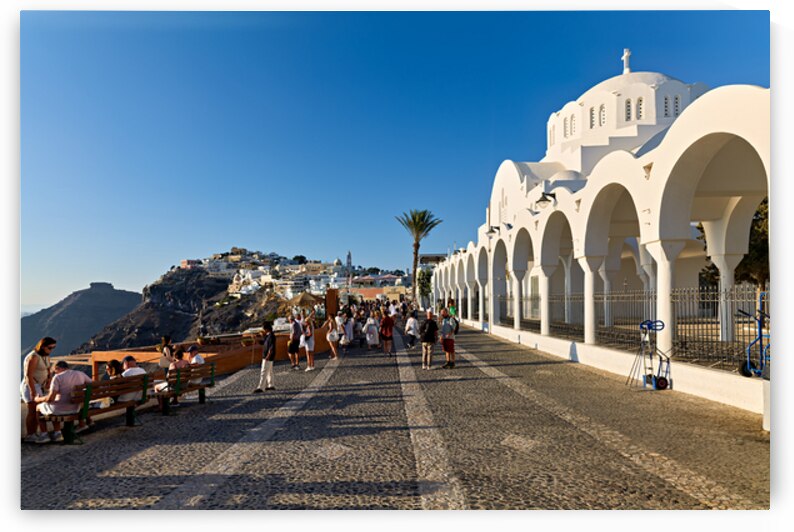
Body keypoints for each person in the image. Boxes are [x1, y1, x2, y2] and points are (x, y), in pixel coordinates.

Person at [34, 360, 92, 442]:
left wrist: (38, 399)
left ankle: (45, 435)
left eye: (55, 371)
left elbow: (50, 398)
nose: (55, 373)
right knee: (54, 403)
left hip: (62, 409)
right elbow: (92, 384)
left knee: (38, 407)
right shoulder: (80, 374)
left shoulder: (58, 377)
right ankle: (58, 432)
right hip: (76, 408)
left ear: (57, 368)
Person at [21, 337, 56, 443]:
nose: (51, 350)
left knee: (38, 411)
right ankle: (30, 435)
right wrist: (32, 391)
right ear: (43, 346)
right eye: (50, 348)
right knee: (32, 411)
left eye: (53, 348)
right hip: (31, 386)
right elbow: (28, 376)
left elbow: (48, 369)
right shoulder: (33, 357)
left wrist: (49, 379)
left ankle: (35, 433)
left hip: (40, 386)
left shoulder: (45, 356)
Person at [253, 321, 277, 393]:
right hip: (269, 356)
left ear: (267, 329)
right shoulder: (268, 335)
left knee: (263, 371)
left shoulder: (271, 336)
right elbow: (263, 342)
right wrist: (257, 339)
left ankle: (261, 387)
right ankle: (271, 385)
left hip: (268, 356)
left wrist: (268, 356)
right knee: (269, 371)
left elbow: (271, 347)